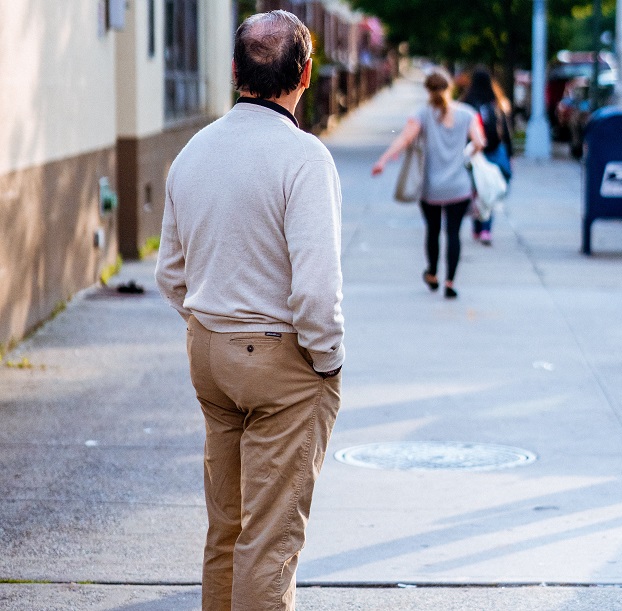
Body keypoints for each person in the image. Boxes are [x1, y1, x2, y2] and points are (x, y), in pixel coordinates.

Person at [154, 11, 344, 611]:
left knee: (227, 529)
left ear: (236, 71)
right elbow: (316, 294)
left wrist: (211, 324)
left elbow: (169, 273)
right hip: (279, 364)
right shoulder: (303, 158)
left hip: (209, 352)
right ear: (306, 74)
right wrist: (328, 361)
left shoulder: (193, 152)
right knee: (270, 540)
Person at [372, 68, 485, 298]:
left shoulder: (421, 114)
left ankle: (432, 274)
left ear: (428, 90)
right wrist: (466, 155)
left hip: (431, 188)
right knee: (453, 234)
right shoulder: (467, 114)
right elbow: (480, 142)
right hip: (459, 187)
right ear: (450, 88)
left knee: (433, 232)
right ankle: (451, 282)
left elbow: (404, 139)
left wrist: (383, 161)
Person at [461, 69, 515, 246]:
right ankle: (486, 229)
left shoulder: (466, 102)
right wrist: (510, 155)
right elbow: (506, 132)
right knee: (489, 188)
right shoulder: (497, 102)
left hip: (474, 151)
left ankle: (477, 227)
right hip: (493, 150)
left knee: (476, 189)